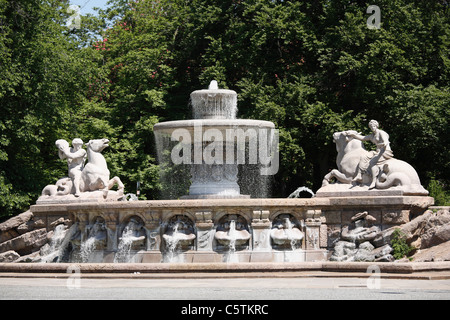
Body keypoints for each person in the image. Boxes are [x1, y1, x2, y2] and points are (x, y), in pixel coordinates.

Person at [348, 120, 394, 189]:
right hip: (377, 151)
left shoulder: (381, 133)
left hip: (385, 151)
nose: (372, 128)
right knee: (364, 156)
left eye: (374, 126)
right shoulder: (372, 135)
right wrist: (354, 135)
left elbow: (386, 142)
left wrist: (381, 144)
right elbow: (363, 138)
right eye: (371, 127)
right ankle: (359, 175)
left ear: (377, 126)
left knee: (372, 162)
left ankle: (374, 181)